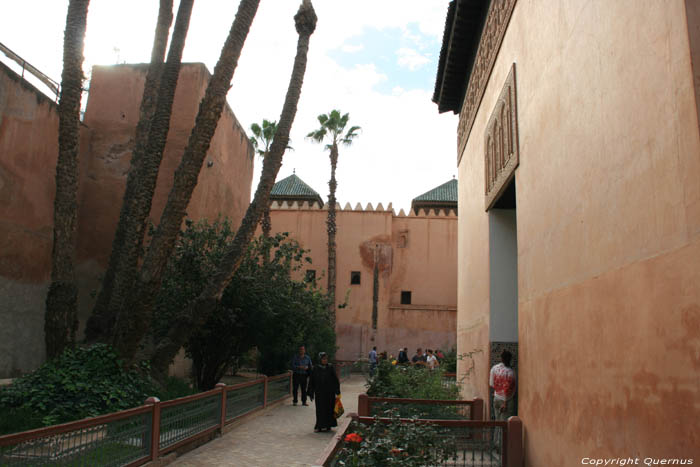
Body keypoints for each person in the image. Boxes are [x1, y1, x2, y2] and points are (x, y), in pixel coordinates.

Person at [307, 352, 341, 432]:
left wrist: (337, 390)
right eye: (323, 359)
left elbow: (335, 379)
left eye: (326, 359)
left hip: (329, 393)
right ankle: (319, 426)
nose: (325, 360)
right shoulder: (315, 368)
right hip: (320, 393)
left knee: (329, 409)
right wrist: (311, 392)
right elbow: (312, 381)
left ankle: (328, 425)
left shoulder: (330, 367)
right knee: (320, 409)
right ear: (320, 359)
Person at [489, 350, 516, 420]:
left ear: (501, 358)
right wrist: (505, 403)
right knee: (505, 424)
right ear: (510, 359)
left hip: (496, 398)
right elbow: (508, 389)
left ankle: (497, 431)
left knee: (498, 422)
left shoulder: (494, 368)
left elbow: (491, 384)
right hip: (506, 401)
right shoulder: (510, 372)